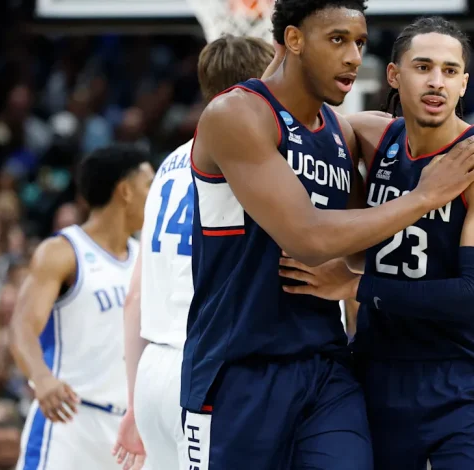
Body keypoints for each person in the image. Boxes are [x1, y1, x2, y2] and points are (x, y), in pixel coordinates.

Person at [183, 0, 474, 468]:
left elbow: (365, 242)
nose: (353, 56)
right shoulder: (236, 114)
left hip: (326, 365)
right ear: (293, 40)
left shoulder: (340, 130)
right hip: (240, 367)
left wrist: (472, 226)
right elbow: (309, 238)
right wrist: (424, 198)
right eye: (337, 40)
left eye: (359, 42)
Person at [279, 17, 474, 469]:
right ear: (394, 75)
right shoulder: (368, 135)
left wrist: (353, 285)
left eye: (450, 71)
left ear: (465, 83)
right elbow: (299, 122)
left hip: (462, 380)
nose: (436, 82)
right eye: (423, 67)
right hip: (379, 374)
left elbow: (471, 299)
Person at [111, 35, 276, 470]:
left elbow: (135, 299)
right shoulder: (257, 160)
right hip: (210, 370)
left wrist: (131, 404)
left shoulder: (166, 167)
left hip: (154, 373)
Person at [9, 145, 153, 470]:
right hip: (70, 422)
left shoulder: (144, 257)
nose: (155, 193)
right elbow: (21, 327)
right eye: (149, 184)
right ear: (125, 191)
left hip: (127, 430)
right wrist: (41, 379)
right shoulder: (62, 251)